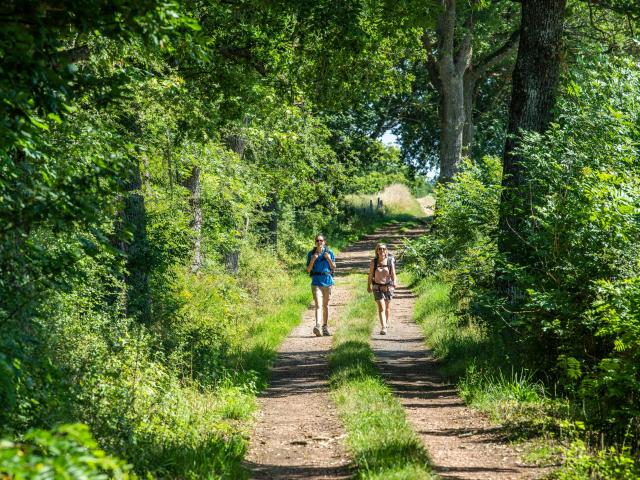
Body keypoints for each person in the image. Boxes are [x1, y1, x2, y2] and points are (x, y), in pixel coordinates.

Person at [306, 234, 336, 337]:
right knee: (318, 305)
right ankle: (317, 326)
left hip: (327, 282)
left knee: (326, 305)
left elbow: (333, 267)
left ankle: (325, 327)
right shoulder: (311, 254)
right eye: (317, 241)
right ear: (315, 242)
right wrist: (313, 260)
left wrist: (328, 259)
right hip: (316, 282)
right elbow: (308, 270)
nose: (319, 242)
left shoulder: (329, 252)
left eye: (321, 240)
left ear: (324, 241)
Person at [367, 243, 396, 335]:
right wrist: (368, 285)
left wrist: (395, 282)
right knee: (381, 306)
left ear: (386, 250)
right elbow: (370, 275)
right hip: (377, 287)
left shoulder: (390, 261)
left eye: (383, 249)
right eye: (379, 249)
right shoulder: (373, 262)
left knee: (387, 307)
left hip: (388, 286)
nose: (381, 251)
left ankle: (386, 323)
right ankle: (383, 327)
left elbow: (393, 274)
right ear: (377, 251)